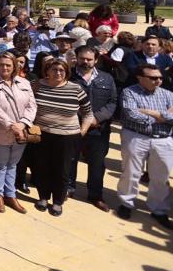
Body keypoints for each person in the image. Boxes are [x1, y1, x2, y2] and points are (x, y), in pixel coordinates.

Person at [31, 58, 94, 216]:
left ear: (67, 72)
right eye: (54, 69)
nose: (58, 73)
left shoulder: (76, 89)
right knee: (41, 167)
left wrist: (82, 132)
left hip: (67, 137)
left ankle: (58, 201)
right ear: (47, 71)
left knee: (62, 170)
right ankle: (43, 197)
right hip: (40, 134)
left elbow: (88, 114)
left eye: (62, 70)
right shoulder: (37, 85)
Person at [115, 64, 173, 226]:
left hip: (163, 139)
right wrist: (163, 116)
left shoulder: (168, 94)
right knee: (131, 172)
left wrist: (149, 112)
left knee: (161, 176)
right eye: (153, 78)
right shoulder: (129, 92)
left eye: (160, 77)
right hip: (136, 136)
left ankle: (159, 209)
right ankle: (126, 203)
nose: (158, 81)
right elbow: (131, 114)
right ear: (140, 78)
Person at [0, 51, 36, 214]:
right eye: (2, 65)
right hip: (1, 131)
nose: (5, 68)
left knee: (12, 164)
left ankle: (10, 195)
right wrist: (12, 125)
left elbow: (32, 106)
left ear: (14, 66)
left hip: (21, 132)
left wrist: (23, 123)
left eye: (8, 65)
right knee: (0, 164)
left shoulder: (24, 83)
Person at [69, 45, 118, 211]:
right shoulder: (67, 75)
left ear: (96, 60)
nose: (85, 62)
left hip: (99, 129)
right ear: (76, 58)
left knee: (97, 164)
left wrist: (96, 118)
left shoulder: (107, 78)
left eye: (89, 59)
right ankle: (68, 188)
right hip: (72, 127)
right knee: (70, 159)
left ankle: (95, 195)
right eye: (82, 58)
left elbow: (112, 102)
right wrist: (83, 119)